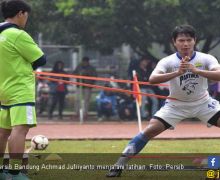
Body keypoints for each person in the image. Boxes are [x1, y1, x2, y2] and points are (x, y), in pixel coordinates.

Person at [106, 24, 220, 177]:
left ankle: (213, 164)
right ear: (174, 42)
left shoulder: (206, 58)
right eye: (181, 40)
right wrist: (177, 72)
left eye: (188, 40)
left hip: (203, 103)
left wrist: (196, 70)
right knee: (149, 131)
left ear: (195, 41)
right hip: (175, 105)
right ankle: (119, 165)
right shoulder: (168, 61)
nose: (185, 44)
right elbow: (153, 79)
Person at [0, 0, 46, 179]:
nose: (26, 19)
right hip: (20, 89)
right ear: (20, 13)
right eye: (26, 15)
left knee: (3, 132)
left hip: (3, 89)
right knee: (20, 130)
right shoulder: (17, 34)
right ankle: (14, 172)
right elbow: (41, 60)